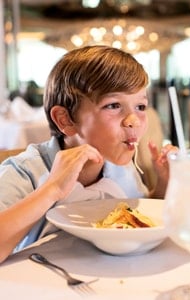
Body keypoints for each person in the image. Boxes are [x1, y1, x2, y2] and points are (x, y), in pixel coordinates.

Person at [0, 45, 176, 263]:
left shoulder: (122, 167)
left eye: (140, 106)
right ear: (65, 120)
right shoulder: (24, 172)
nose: (133, 121)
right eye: (113, 105)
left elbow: (142, 218)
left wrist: (164, 182)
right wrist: (52, 189)